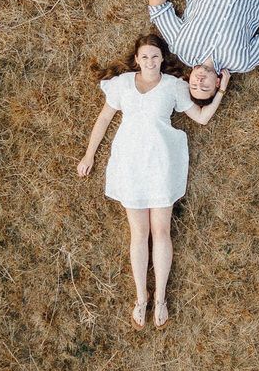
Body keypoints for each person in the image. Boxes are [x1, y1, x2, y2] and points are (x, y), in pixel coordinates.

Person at [77, 33, 228, 329]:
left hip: (160, 163)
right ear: (136, 59)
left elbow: (200, 117)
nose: (150, 61)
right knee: (138, 232)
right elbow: (105, 118)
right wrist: (89, 155)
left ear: (162, 59)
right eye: (144, 57)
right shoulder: (122, 84)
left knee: (160, 231)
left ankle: (160, 298)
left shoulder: (174, 87)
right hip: (130, 163)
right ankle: (140, 298)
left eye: (155, 57)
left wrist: (221, 90)